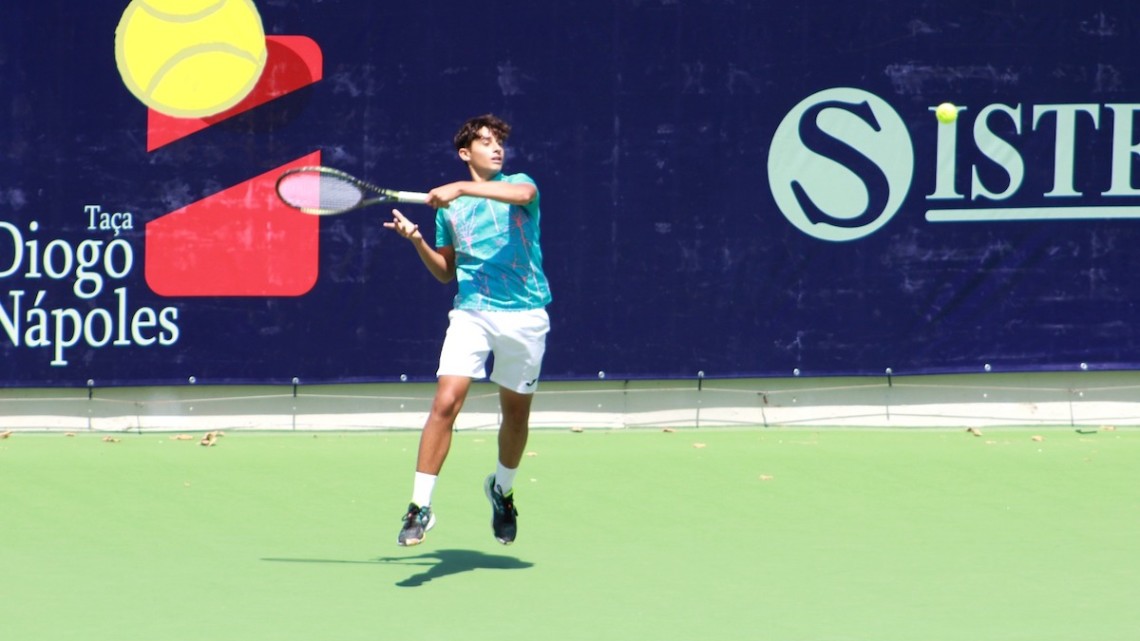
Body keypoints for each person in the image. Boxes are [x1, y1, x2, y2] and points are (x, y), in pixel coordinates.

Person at [384, 114, 552, 546]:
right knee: (446, 400)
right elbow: (446, 273)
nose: (496, 148)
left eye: (499, 142)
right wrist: (418, 240)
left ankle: (503, 489)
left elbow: (524, 193)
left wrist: (459, 187)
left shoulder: (518, 184)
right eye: (485, 142)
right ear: (466, 153)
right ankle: (419, 507)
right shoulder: (449, 210)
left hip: (526, 315)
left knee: (516, 414)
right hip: (472, 313)